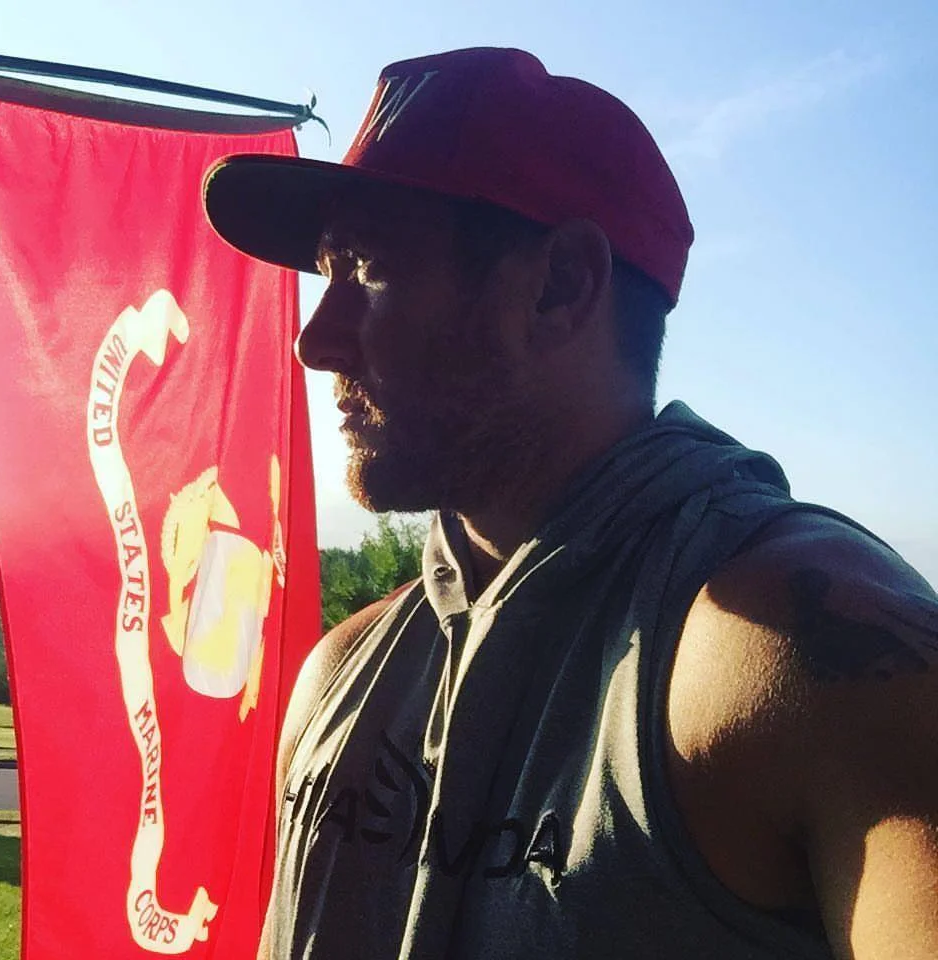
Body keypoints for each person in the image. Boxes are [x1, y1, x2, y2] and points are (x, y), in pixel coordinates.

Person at [205, 47, 938, 960]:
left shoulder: (799, 657)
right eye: (326, 273)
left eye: (369, 267)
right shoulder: (339, 677)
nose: (315, 341)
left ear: (559, 287)